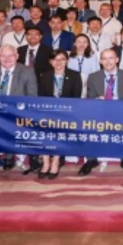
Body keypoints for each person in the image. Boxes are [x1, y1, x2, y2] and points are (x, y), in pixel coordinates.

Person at [0, 44, 38, 173]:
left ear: (17, 56)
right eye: (3, 56)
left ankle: (9, 157)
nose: (7, 59)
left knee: (10, 123)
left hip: (17, 112)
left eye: (10, 56)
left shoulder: (27, 71)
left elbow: (32, 96)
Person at [80, 49, 123, 177]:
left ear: (117, 60)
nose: (108, 61)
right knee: (88, 124)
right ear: (100, 61)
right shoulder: (93, 77)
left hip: (121, 112)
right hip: (99, 112)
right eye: (104, 58)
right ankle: (91, 159)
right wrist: (97, 100)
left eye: (111, 58)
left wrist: (117, 107)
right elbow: (90, 98)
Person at [36, 50, 83, 180]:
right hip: (48, 112)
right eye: (55, 59)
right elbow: (41, 97)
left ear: (67, 61)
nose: (59, 62)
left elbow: (76, 98)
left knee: (59, 129)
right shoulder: (44, 76)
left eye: (62, 59)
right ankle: (46, 162)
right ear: (51, 62)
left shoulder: (74, 75)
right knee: (43, 128)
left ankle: (56, 161)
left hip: (67, 114)